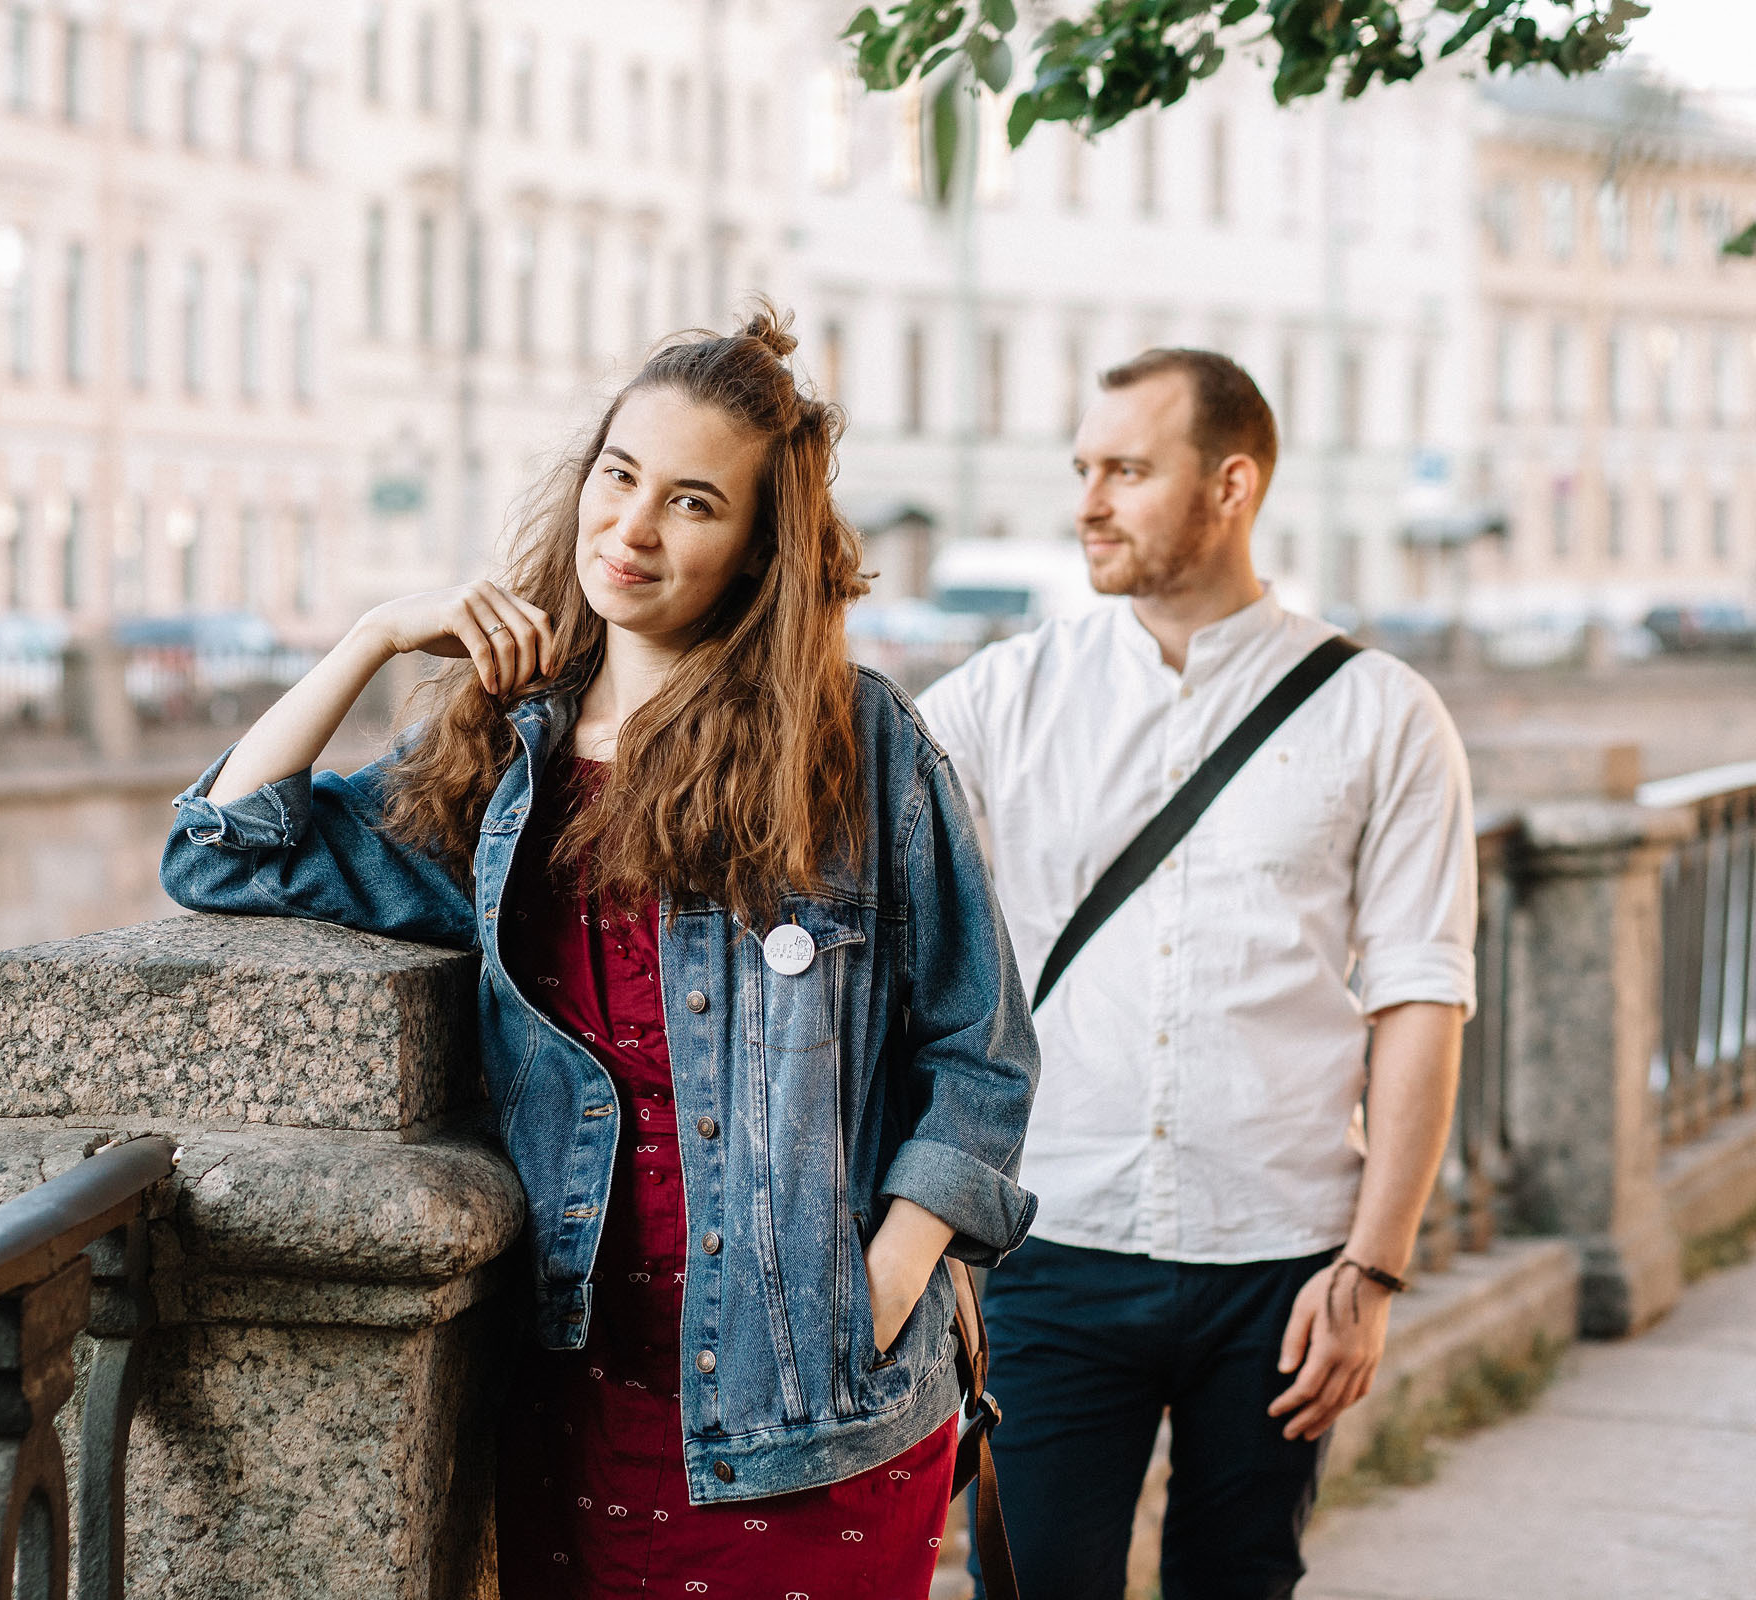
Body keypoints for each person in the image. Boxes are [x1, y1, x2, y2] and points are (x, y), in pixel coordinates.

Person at [162, 309, 1040, 1598]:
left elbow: (982, 1046)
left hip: (810, 1397)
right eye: (618, 476)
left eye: (692, 502)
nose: (631, 528)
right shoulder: (500, 760)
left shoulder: (852, 746)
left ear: (756, 549)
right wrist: (372, 636)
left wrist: (886, 1283)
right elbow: (221, 851)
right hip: (577, 1387)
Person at [918, 348, 1475, 1600]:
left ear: (1233, 484)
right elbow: (831, 831)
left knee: (1241, 1578)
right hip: (1050, 1241)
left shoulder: (1383, 714)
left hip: (1281, 1259)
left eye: (1128, 469)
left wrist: (1373, 1271)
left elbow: (1421, 1000)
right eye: (1083, 469)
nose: (1089, 501)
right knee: (1041, 1582)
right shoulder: (1005, 698)